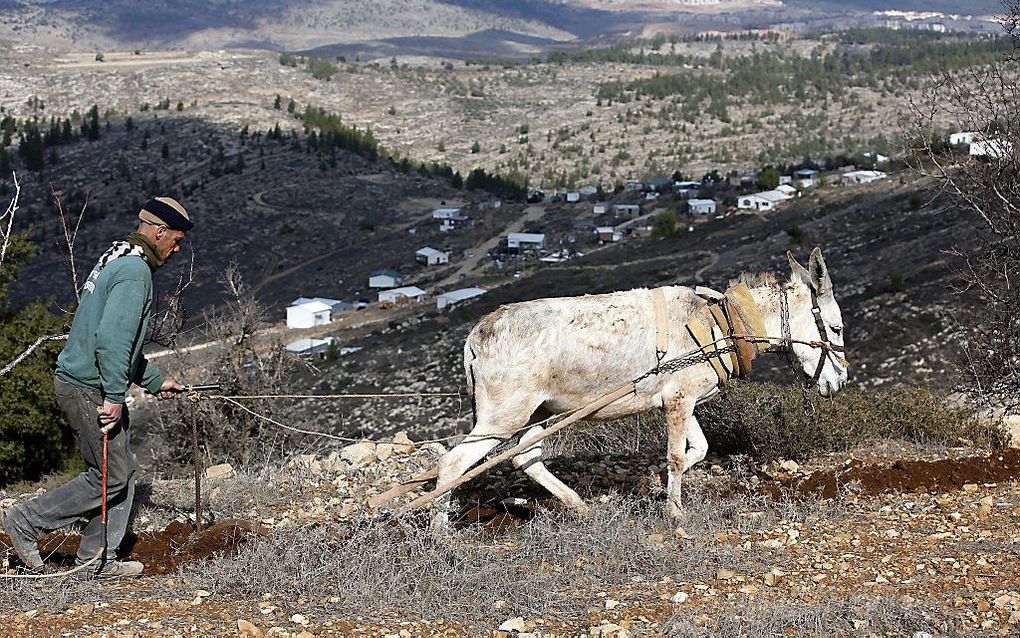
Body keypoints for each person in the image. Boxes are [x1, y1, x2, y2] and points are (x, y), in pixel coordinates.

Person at [2, 197, 194, 578]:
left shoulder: (117, 257)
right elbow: (111, 342)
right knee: (108, 475)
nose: (176, 249)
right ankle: (25, 522)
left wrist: (156, 382)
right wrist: (113, 397)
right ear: (158, 232)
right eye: (176, 240)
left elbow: (121, 340)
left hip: (84, 382)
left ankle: (96, 560)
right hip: (88, 387)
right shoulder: (135, 272)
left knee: (121, 471)